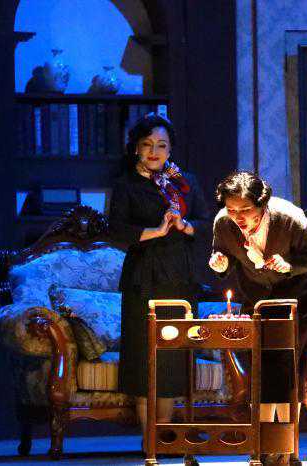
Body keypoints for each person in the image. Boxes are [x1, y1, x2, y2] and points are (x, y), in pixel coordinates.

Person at [109, 114, 210, 454]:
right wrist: (155, 231)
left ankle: (165, 435)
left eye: (161, 145)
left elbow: (206, 223)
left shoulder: (186, 182)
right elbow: (115, 230)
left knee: (171, 359)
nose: (154, 151)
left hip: (180, 279)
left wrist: (185, 226)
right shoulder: (125, 185)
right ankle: (149, 438)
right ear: (136, 148)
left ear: (170, 149)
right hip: (143, 279)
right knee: (144, 360)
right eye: (147, 144)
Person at [209, 171, 307, 465]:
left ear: (262, 204)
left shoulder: (289, 218)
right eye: (232, 209)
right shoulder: (224, 223)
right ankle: (263, 445)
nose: (238, 216)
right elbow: (223, 256)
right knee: (260, 364)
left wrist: (288, 265)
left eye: (245, 210)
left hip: (298, 293)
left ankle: (287, 448)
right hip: (257, 294)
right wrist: (220, 263)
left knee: (287, 363)